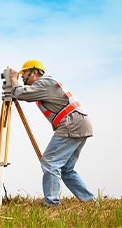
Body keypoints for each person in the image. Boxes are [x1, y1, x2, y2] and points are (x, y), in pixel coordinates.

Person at [9, 60, 95, 207]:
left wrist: (13, 80)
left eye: (24, 73)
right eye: (20, 74)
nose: (22, 77)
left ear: (34, 72)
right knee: (66, 169)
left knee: (50, 162)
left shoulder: (43, 83)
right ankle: (89, 202)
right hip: (80, 124)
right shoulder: (48, 83)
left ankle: (52, 203)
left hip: (71, 124)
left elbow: (21, 94)